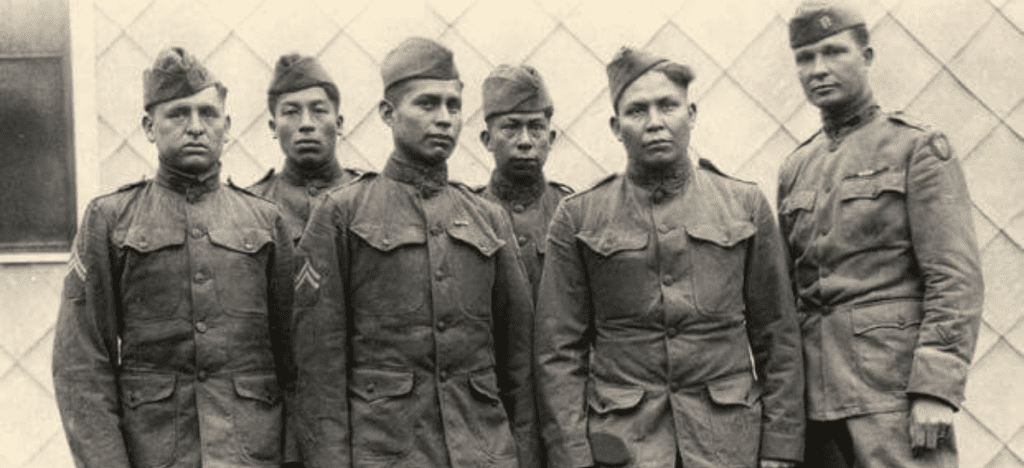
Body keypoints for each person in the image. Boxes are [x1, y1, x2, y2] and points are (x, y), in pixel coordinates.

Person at [535, 47, 805, 468]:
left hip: (729, 442)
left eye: (668, 106)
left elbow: (777, 334)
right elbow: (558, 351)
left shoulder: (744, 205)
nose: (655, 122)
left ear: (691, 114)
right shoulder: (578, 217)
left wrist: (780, 446)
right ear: (615, 126)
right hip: (624, 444)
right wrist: (572, 456)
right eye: (637, 111)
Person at [291, 37, 539, 468]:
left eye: (453, 106)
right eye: (427, 104)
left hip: (482, 450)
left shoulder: (488, 219)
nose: (444, 119)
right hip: (385, 451)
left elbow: (518, 361)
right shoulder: (341, 213)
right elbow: (319, 370)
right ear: (388, 113)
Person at [52, 47, 295, 467]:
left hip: (252, 454)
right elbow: (81, 363)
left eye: (208, 114)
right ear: (149, 126)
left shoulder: (266, 222)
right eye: (178, 114)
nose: (196, 127)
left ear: (228, 126)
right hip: (154, 452)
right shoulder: (110, 220)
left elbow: (296, 360)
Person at [777, 2, 985, 467]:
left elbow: (955, 278)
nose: (819, 69)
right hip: (816, 404)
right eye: (805, 58)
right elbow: (794, 293)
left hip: (894, 397)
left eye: (833, 52)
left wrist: (936, 388)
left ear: (867, 56)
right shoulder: (796, 168)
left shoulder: (916, 149)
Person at [474, 64, 573, 298]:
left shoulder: (573, 213)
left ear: (550, 139)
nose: (525, 141)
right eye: (512, 127)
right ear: (487, 140)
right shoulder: (468, 214)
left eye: (536, 128)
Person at [248, 53, 361, 245]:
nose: (306, 124)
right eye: (291, 112)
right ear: (273, 127)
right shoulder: (251, 206)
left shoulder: (370, 198)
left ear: (339, 124)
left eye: (319, 110)